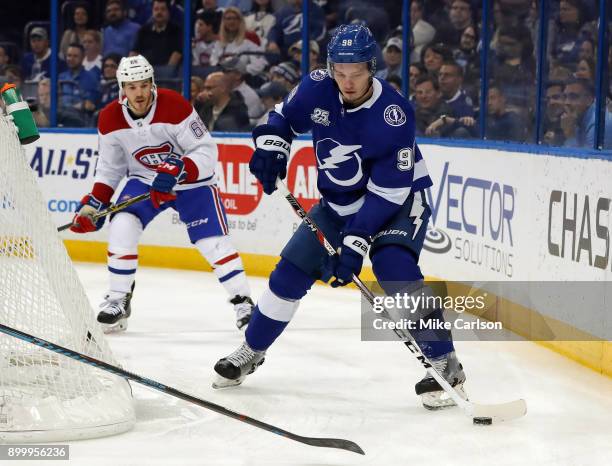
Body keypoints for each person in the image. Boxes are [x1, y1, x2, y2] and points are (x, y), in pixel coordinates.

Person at [212, 24, 467, 411]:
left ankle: (446, 363)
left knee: (393, 267)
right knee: (289, 274)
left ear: (372, 68)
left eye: (357, 73)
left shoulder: (393, 114)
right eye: (340, 72)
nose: (347, 82)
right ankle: (252, 349)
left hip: (398, 200)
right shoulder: (317, 86)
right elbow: (280, 118)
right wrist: (270, 148)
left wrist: (356, 242)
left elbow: (387, 192)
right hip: (337, 203)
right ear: (331, 67)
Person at [69, 55, 254, 332]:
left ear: (152, 83)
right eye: (132, 87)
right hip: (145, 180)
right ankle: (118, 299)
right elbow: (109, 169)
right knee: (121, 224)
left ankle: (244, 303)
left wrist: (179, 168)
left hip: (192, 182)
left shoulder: (174, 105)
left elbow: (205, 150)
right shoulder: (109, 117)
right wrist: (94, 203)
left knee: (212, 243)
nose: (139, 93)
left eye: (144, 85)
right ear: (122, 88)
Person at [132, 0, 182, 66]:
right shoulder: (143, 31)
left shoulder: (176, 31)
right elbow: (134, 53)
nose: (159, 12)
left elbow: (177, 55)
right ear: (152, 12)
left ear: (168, 12)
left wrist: (167, 72)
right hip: (145, 71)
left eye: (163, 9)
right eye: (156, 9)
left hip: (167, 73)